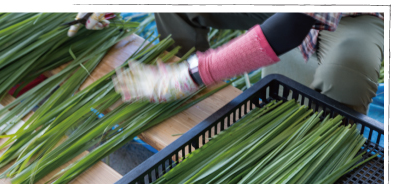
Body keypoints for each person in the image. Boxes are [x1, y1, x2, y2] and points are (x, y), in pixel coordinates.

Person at [109, 13, 383, 114]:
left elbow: (293, 22)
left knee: (349, 69)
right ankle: (184, 105)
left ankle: (320, 157)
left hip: (358, 15)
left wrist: (196, 72)